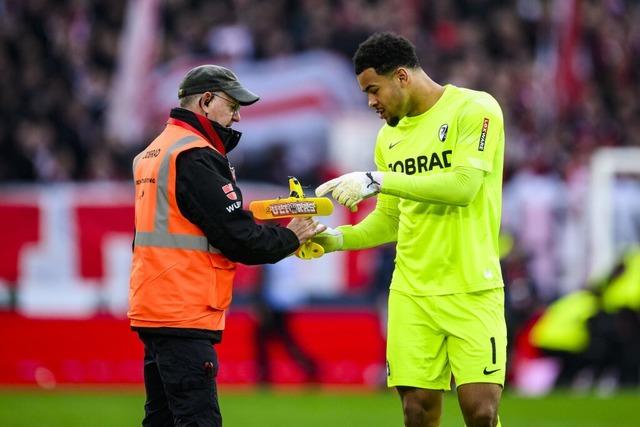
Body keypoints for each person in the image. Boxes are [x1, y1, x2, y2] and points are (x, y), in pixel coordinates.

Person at [305, 33, 507, 427]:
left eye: (373, 90)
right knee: (417, 412)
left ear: (401, 76)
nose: (370, 102)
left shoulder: (475, 108)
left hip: (473, 289)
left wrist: (381, 179)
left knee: (481, 412)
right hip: (411, 294)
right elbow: (391, 220)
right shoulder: (389, 139)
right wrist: (334, 240)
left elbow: (463, 188)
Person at [128, 64, 325, 427]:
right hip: (184, 309)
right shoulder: (195, 154)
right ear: (205, 101)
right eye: (233, 106)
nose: (237, 117)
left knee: (162, 419)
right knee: (197, 421)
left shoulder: (155, 152)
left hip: (156, 305)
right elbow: (239, 238)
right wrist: (291, 236)